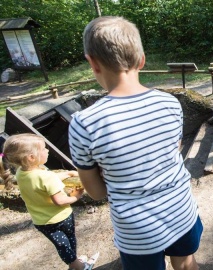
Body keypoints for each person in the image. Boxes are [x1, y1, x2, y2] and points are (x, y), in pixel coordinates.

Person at [68, 16, 202, 270]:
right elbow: (172, 152)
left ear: (92, 63)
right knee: (186, 264)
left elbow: (97, 192)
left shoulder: (84, 123)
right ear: (142, 60)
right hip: (181, 209)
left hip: (137, 230)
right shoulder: (170, 103)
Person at [0, 133, 98, 270]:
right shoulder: (46, 177)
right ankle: (79, 266)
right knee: (69, 241)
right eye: (44, 149)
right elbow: (60, 200)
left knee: (61, 245)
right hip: (60, 218)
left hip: (41, 222)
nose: (47, 151)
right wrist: (77, 196)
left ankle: (73, 263)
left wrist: (68, 174)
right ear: (32, 157)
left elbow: (44, 181)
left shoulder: (21, 173)